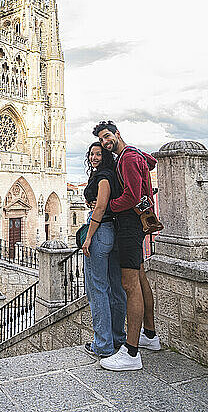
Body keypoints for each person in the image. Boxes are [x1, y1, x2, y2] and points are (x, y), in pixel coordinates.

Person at [92, 120, 161, 372]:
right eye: (101, 139)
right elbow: (151, 162)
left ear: (117, 134)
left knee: (129, 285)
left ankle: (131, 353)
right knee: (141, 279)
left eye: (107, 136)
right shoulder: (133, 155)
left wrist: (107, 207)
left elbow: (131, 196)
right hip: (137, 225)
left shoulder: (128, 158)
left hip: (130, 226)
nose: (104, 142)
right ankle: (150, 336)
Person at [82, 141, 127, 358]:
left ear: (105, 156)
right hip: (114, 232)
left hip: (100, 231)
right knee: (115, 288)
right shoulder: (112, 174)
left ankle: (103, 345)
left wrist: (89, 237)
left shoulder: (103, 177)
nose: (94, 157)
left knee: (97, 289)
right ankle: (118, 338)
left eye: (98, 154)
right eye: (92, 154)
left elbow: (100, 207)